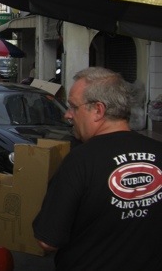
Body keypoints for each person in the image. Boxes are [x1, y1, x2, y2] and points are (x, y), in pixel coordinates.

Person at [32, 67, 162, 270]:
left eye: (73, 107)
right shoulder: (158, 151)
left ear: (98, 110)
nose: (67, 115)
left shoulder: (80, 161)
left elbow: (48, 240)